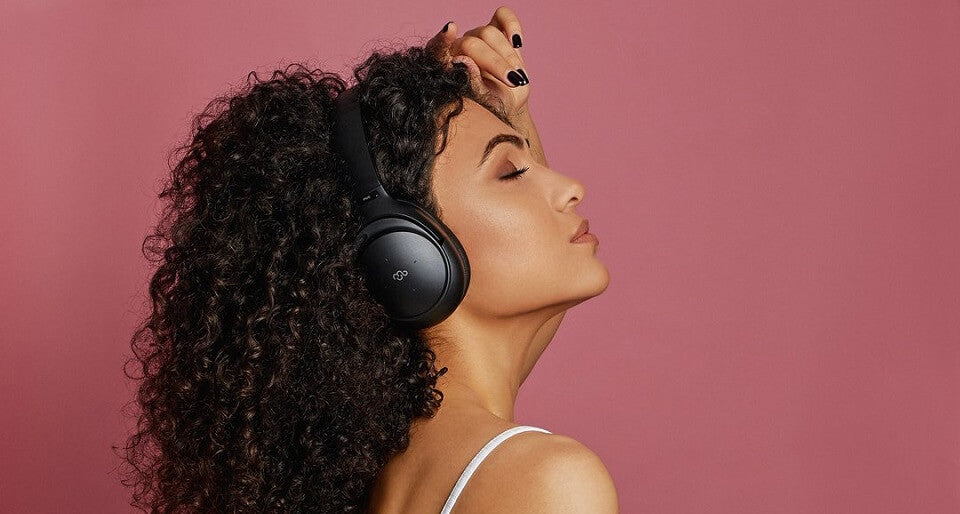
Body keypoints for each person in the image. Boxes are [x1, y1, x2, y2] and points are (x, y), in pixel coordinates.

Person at [119, 6, 614, 513]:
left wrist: (507, 114)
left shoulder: (389, 475)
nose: (572, 188)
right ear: (407, 252)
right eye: (511, 172)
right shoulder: (546, 482)